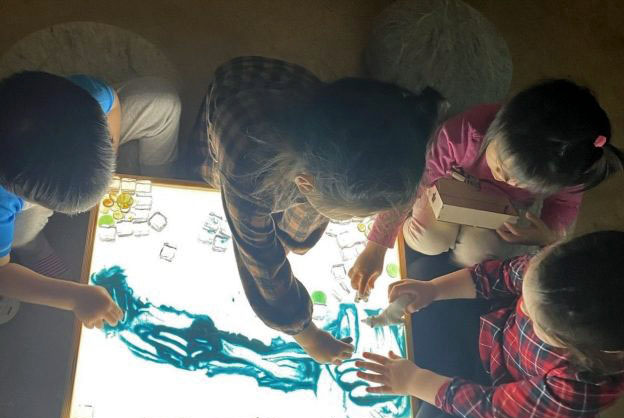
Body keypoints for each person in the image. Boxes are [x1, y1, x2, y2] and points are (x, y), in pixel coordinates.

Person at [185, 56, 445, 364]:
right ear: (305, 184)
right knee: (229, 196)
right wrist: (305, 333)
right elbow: (257, 254)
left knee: (299, 236)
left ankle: (308, 227)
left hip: (301, 102)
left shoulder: (398, 136)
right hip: (239, 100)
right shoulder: (246, 162)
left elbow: (400, 187)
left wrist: (378, 243)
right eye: (350, 216)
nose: (354, 220)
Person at [355, 231, 624, 418]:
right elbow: (497, 278)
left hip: (513, 405)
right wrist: (432, 290)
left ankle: (439, 386)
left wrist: (415, 382)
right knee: (425, 275)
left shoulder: (583, 387)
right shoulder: (553, 272)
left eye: (535, 322)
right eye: (524, 302)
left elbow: (493, 406)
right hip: (492, 339)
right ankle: (442, 385)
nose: (524, 312)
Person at [350, 79, 624, 297]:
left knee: (477, 257)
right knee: (426, 240)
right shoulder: (465, 133)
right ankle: (437, 237)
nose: (506, 180)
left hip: (497, 211)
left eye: (521, 182)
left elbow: (565, 206)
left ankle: (462, 246)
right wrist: (377, 244)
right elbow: (417, 180)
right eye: (500, 166)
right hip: (447, 190)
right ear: (497, 128)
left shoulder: (567, 170)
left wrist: (547, 233)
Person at [0, 71, 180, 325]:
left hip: (78, 139)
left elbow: (113, 103)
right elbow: (2, 273)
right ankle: (36, 253)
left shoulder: (85, 97)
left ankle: (160, 179)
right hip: (16, 183)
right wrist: (73, 296)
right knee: (21, 236)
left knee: (162, 102)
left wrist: (107, 161)